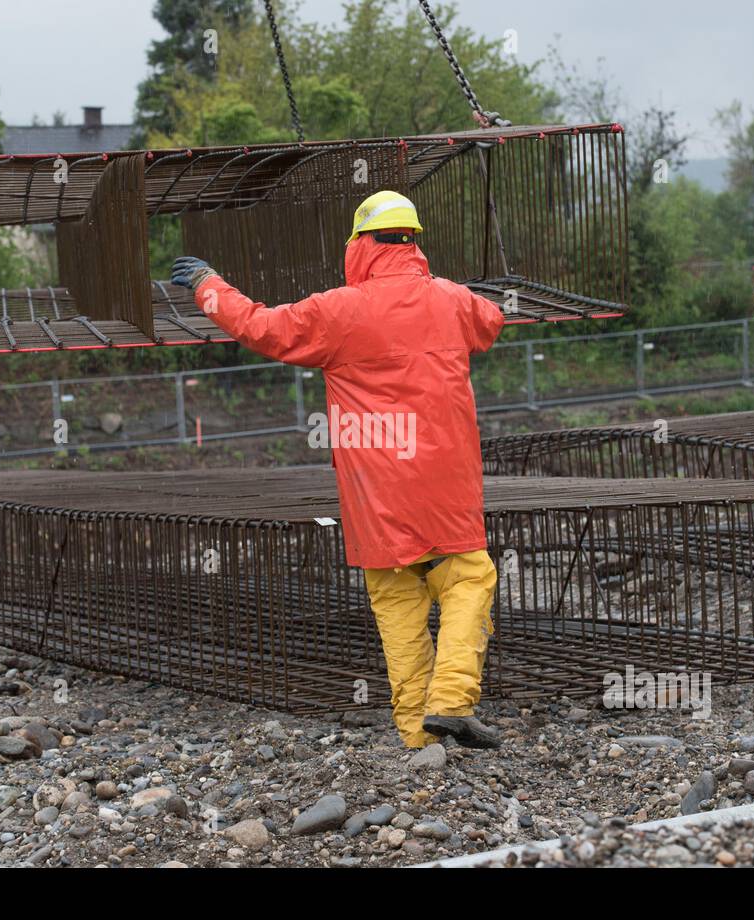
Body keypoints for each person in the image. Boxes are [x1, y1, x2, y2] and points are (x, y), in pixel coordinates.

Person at [170, 189, 505, 749]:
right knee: (470, 578)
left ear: (360, 245)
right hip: (444, 480)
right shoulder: (449, 299)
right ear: (412, 241)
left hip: (373, 490)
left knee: (398, 601)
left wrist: (209, 285)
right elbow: (490, 322)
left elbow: (261, 327)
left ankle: (418, 741)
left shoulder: (337, 311)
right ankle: (451, 700)